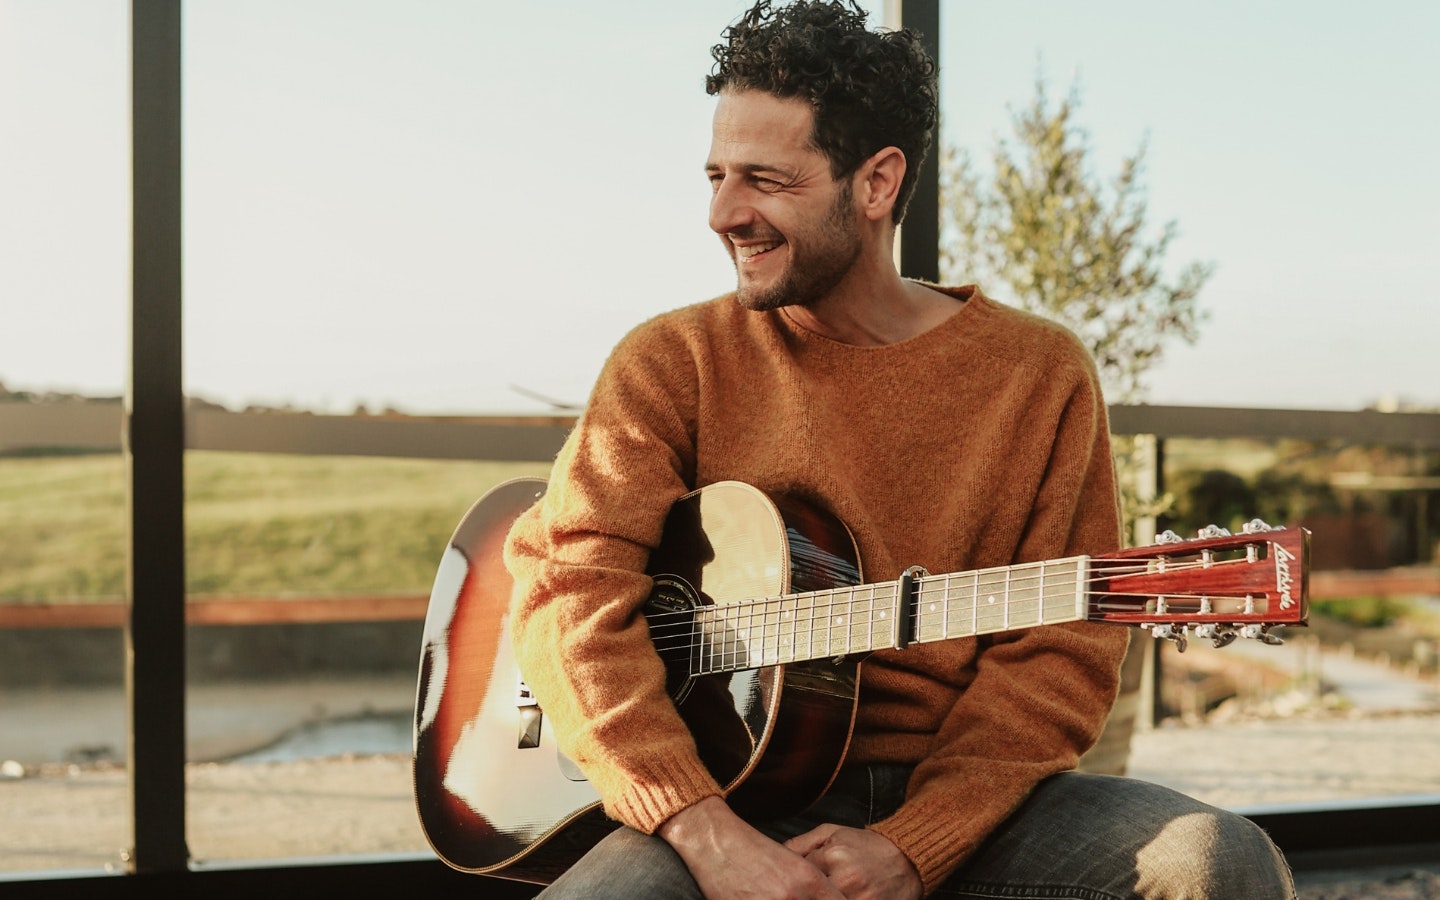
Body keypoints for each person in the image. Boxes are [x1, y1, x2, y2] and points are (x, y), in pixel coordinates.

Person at [502, 1, 1295, 897]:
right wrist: (705, 831)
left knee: (1220, 863)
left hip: (972, 804)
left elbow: (1058, 655)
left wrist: (919, 842)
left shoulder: (1037, 375)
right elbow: (568, 587)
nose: (724, 212)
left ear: (876, 184)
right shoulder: (672, 360)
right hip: (720, 798)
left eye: (765, 178)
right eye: (716, 174)